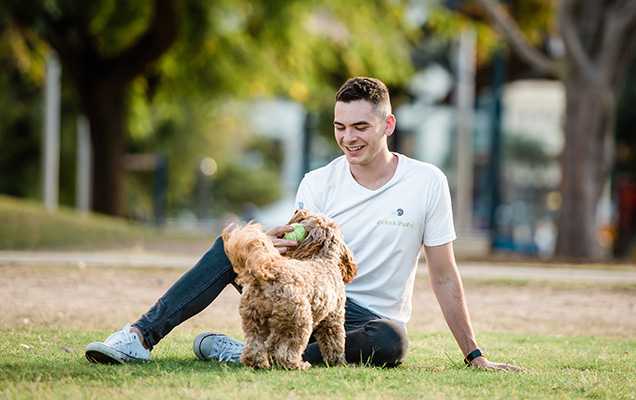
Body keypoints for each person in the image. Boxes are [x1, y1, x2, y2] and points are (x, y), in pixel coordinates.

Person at [86, 77, 520, 371]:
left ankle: (247, 352)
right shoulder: (318, 182)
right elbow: (296, 257)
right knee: (233, 245)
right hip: (307, 297)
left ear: (387, 124)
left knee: (393, 342)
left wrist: (475, 355)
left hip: (366, 319)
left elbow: (444, 276)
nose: (348, 138)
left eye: (361, 127)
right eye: (340, 127)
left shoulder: (427, 182)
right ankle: (138, 337)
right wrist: (267, 243)